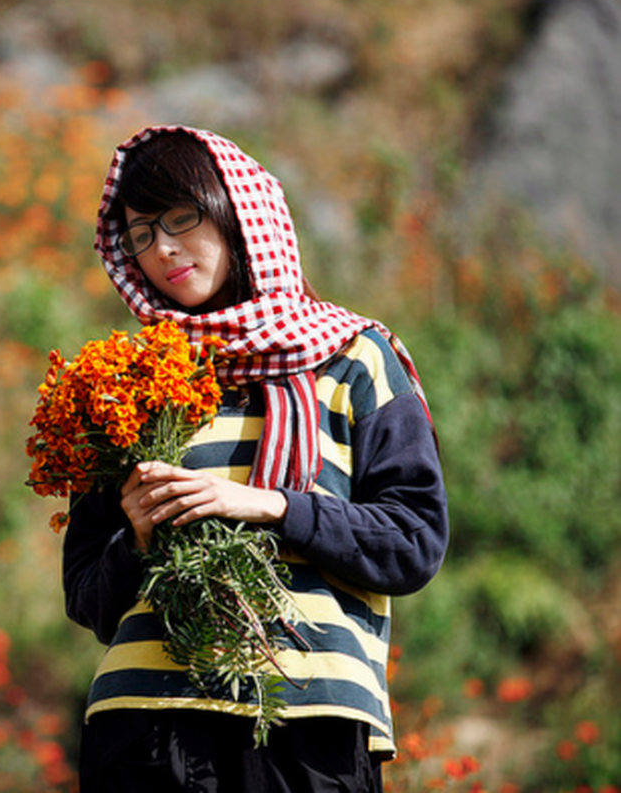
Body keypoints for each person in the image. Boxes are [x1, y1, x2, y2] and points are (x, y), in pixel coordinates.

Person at [62, 125, 449, 792]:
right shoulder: (127, 382)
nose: (164, 249)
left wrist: (272, 507)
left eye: (181, 218)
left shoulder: (353, 358)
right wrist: (139, 534)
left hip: (306, 726)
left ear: (237, 211)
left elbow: (413, 541)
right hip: (142, 734)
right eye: (141, 235)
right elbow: (88, 597)